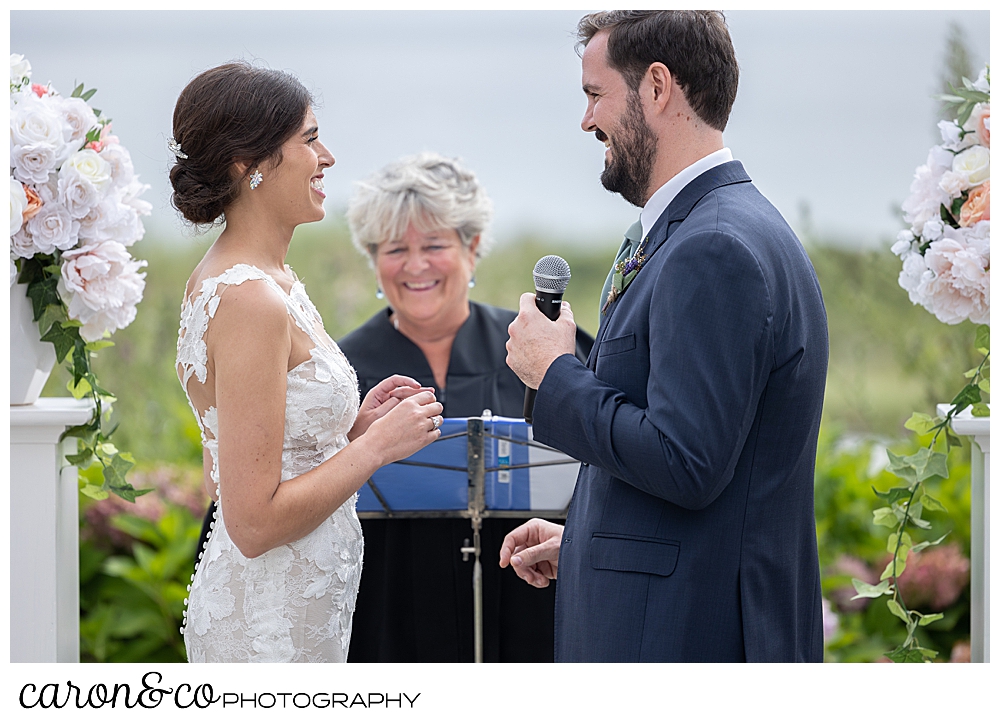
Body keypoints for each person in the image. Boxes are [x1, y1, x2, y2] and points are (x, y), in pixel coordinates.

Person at [502, 10, 829, 662]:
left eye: (595, 95)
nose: (586, 120)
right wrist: (590, 540)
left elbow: (686, 461)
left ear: (657, 87)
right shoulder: (713, 228)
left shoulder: (712, 247)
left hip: (686, 641)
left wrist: (555, 372)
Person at [170, 62, 443, 663]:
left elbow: (270, 446)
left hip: (304, 606)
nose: (328, 157)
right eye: (310, 139)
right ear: (251, 163)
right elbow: (252, 520)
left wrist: (353, 429)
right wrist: (374, 450)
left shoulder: (274, 279)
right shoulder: (248, 298)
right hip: (267, 624)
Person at [337, 152, 593, 662]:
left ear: (472, 247)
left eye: (434, 245)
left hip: (529, 605)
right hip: (390, 615)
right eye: (394, 249)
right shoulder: (341, 370)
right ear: (373, 257)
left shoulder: (540, 347)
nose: (415, 265)